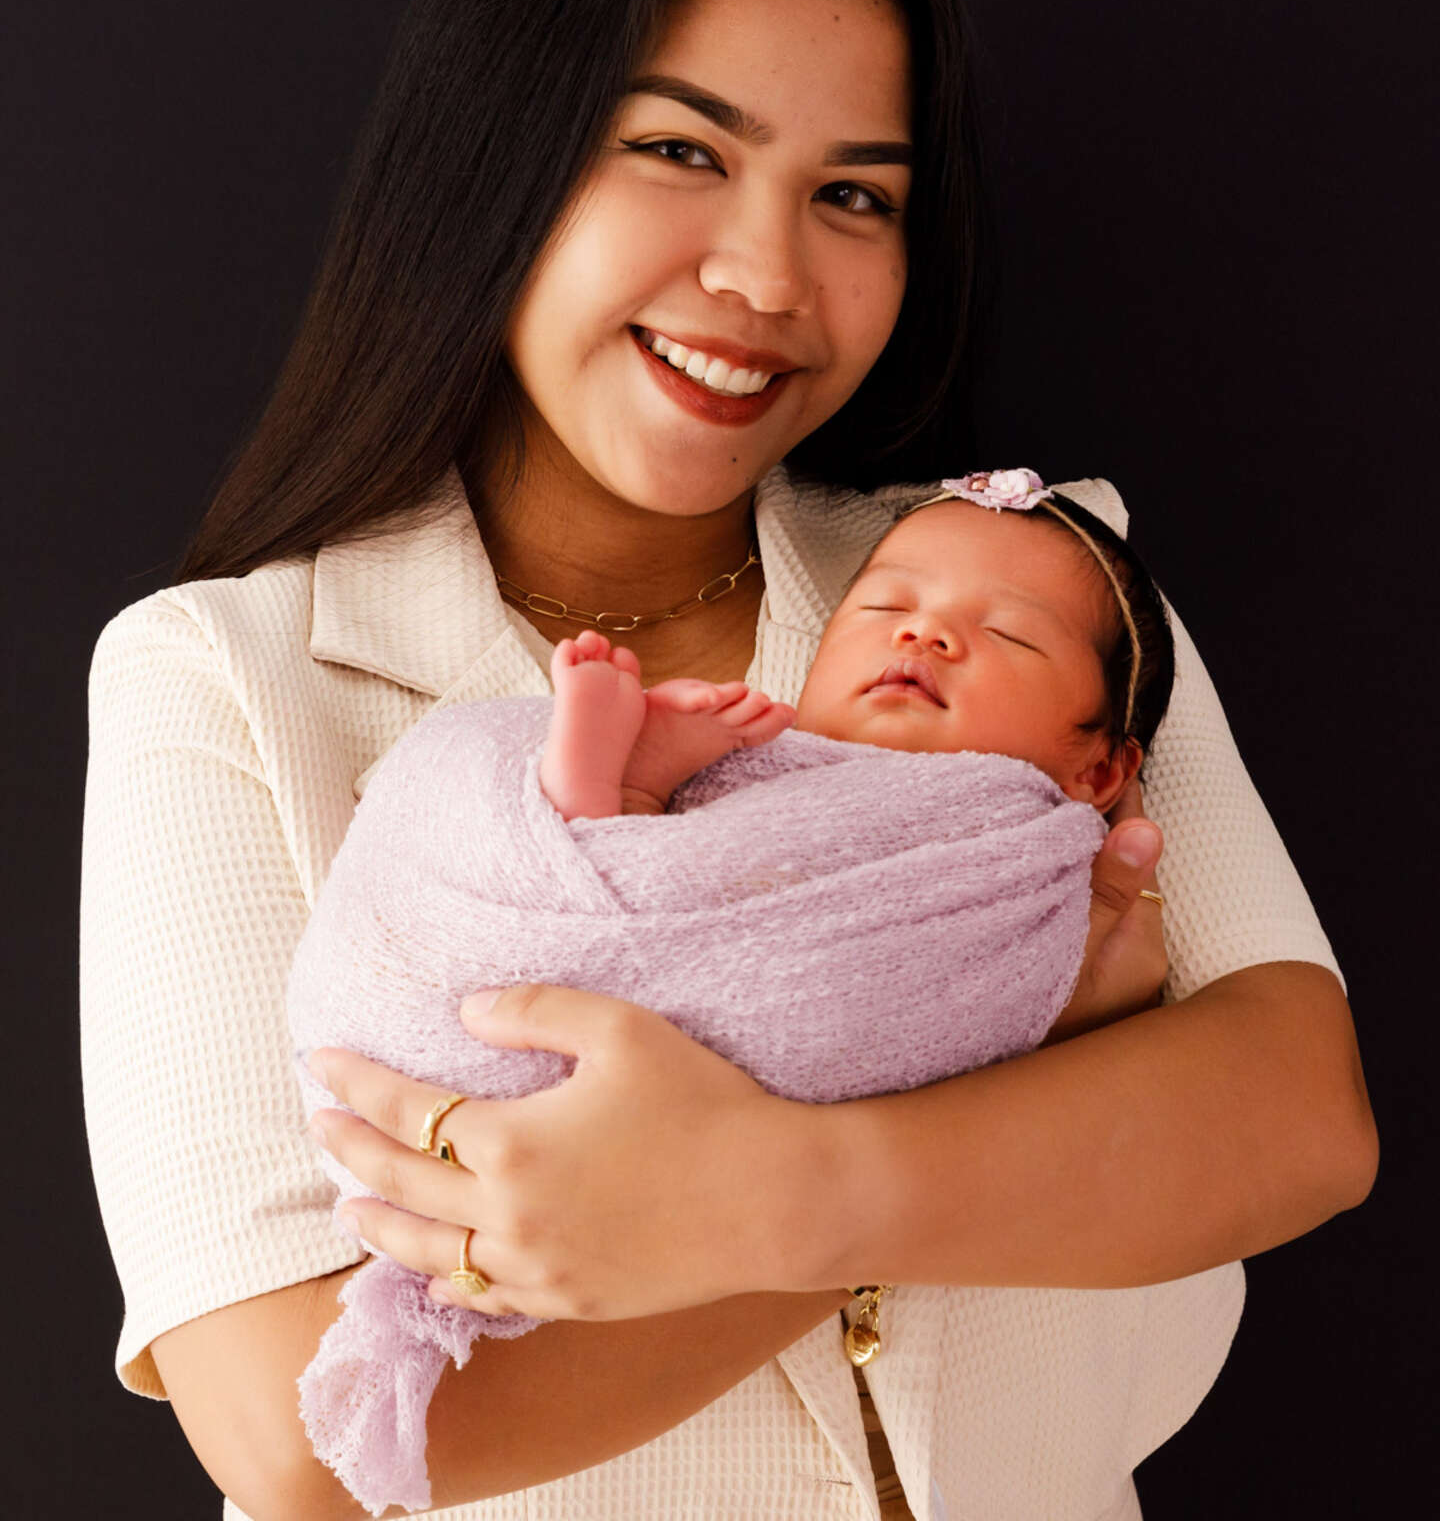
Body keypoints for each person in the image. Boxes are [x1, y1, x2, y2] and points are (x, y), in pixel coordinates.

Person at [79, 0, 1376, 1521]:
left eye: (854, 192)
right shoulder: (227, 680)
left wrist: (768, 1184)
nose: (767, 273)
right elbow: (305, 1442)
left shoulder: (1014, 586)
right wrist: (989, 1088)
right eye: (682, 150)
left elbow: (1296, 1114)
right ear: (503, 152)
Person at [287, 475, 1175, 1515]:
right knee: (597, 849)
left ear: (1100, 769)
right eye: (886, 610)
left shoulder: (1019, 843)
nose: (926, 635)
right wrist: (644, 786)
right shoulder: (762, 761)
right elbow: (659, 899)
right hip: (535, 1001)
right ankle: (594, 786)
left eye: (1008, 637)